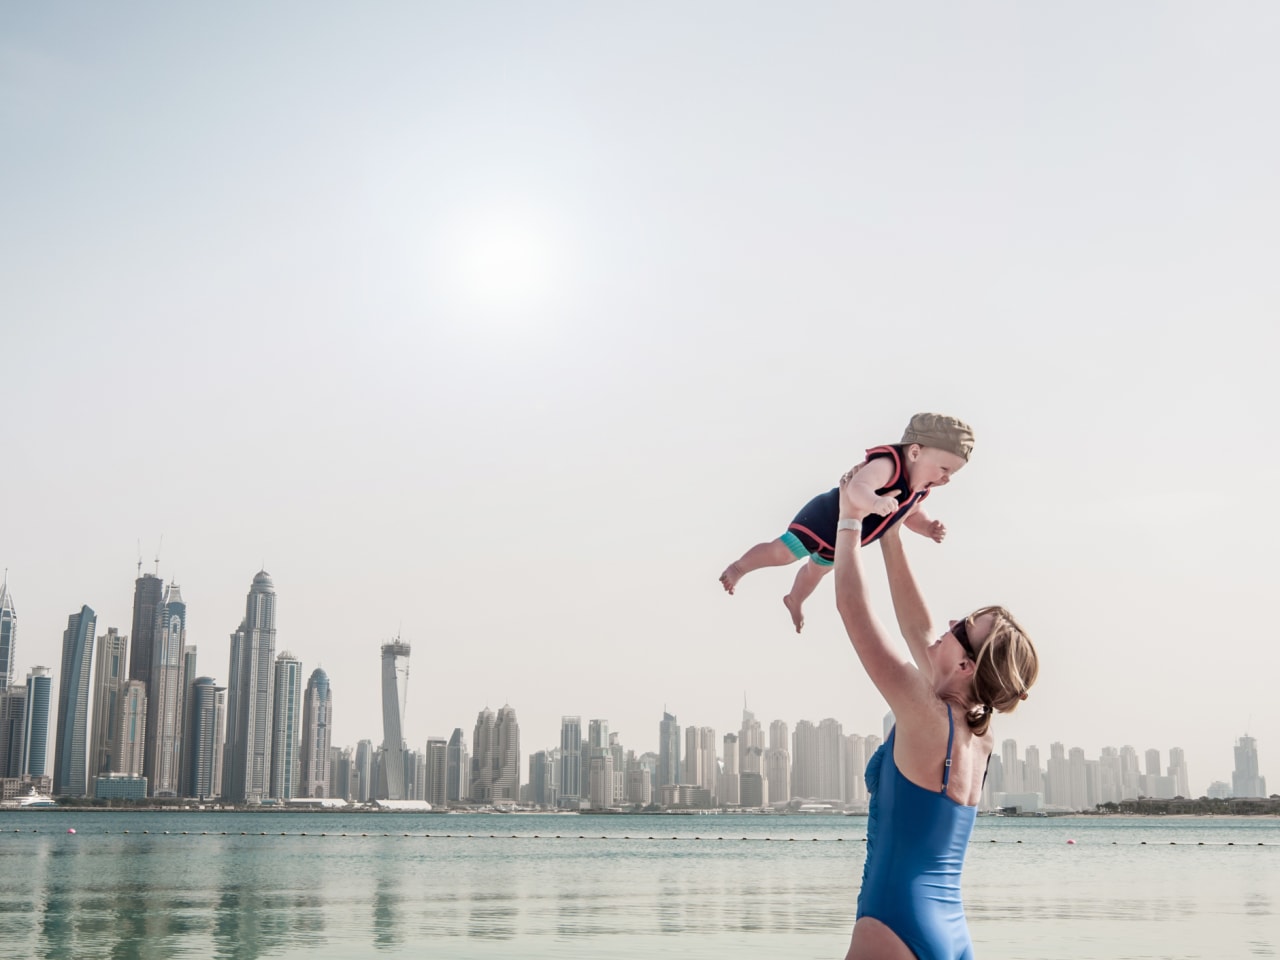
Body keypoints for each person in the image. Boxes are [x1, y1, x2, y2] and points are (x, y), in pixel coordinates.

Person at [831, 465, 1039, 960]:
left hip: (893, 922)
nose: (948, 622)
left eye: (963, 625)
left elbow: (852, 608)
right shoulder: (975, 737)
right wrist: (891, 532)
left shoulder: (924, 713)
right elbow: (919, 627)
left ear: (966, 664)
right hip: (950, 933)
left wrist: (849, 518)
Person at [719, 412, 974, 633]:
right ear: (916, 452)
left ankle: (795, 599)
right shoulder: (888, 465)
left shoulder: (918, 490)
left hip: (844, 537)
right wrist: (874, 502)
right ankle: (740, 568)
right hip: (823, 520)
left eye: (952, 474)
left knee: (815, 572)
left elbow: (912, 514)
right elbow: (857, 487)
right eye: (944, 469)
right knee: (782, 552)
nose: (946, 479)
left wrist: (928, 527)